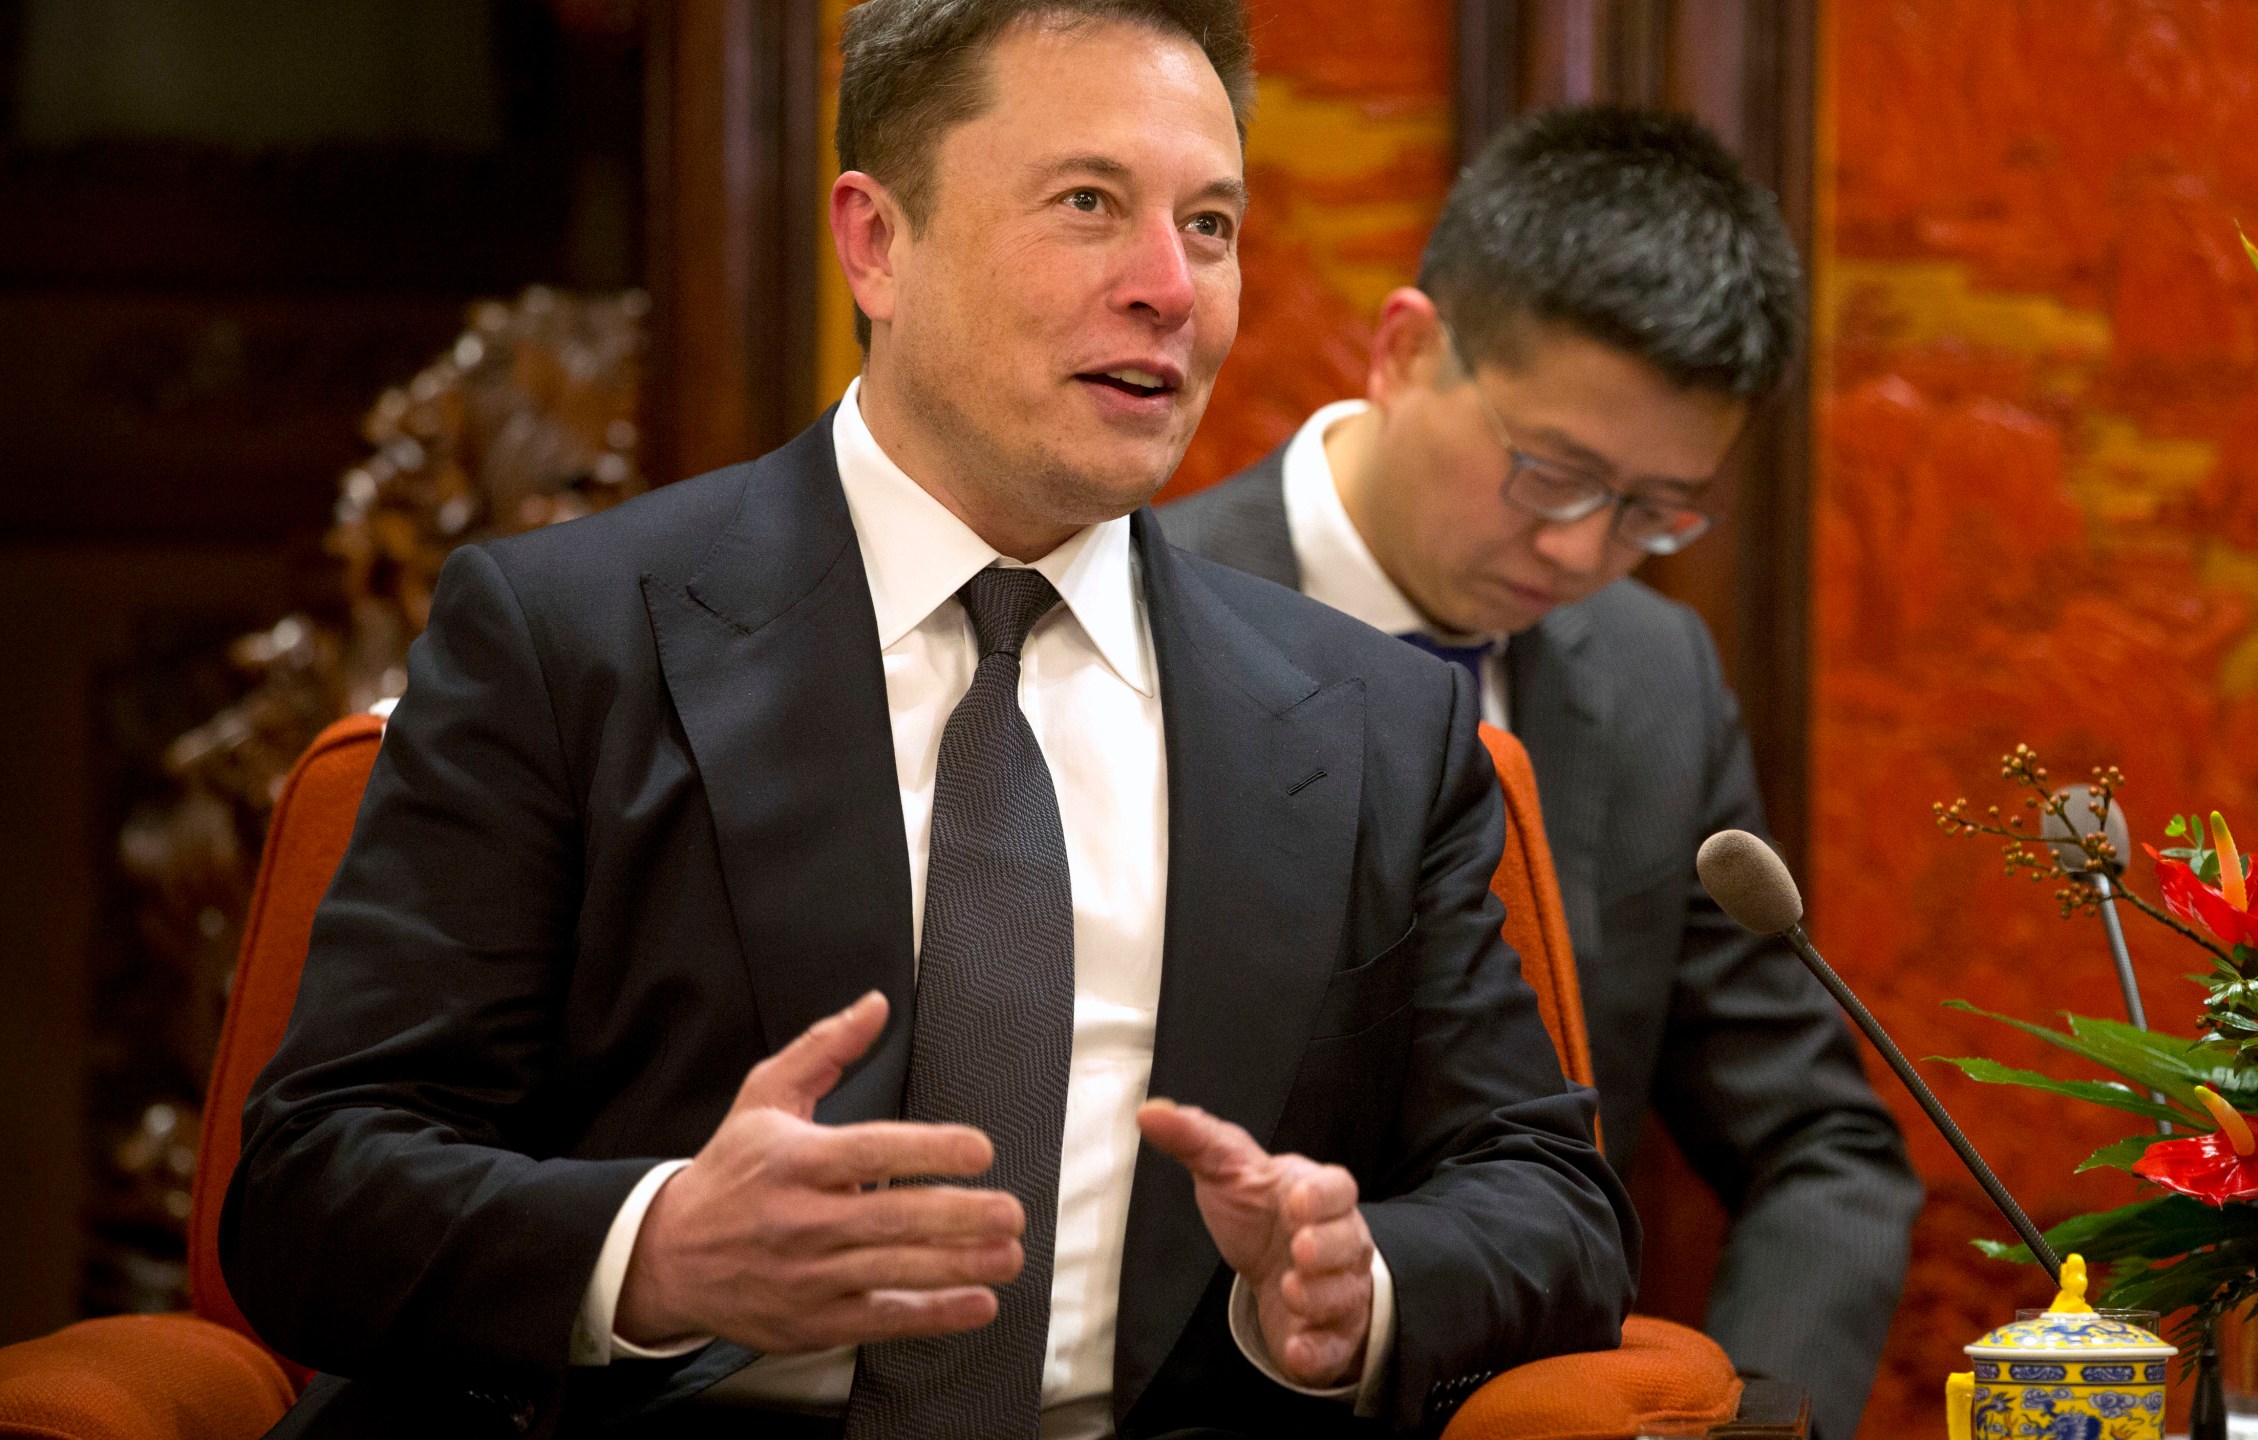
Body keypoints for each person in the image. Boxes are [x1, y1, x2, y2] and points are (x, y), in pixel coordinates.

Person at [223, 4, 1634, 1437]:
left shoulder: (1376, 722)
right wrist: (656, 1254)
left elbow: (1549, 1201)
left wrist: (1357, 1285)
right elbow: (310, 1186)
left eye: (1210, 226)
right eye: (1089, 204)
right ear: (876, 242)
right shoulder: (569, 642)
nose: (1170, 286)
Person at [1158, 106, 1922, 1440]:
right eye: (1551, 474)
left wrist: (1736, 1422)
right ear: (1406, 350)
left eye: (1655, 510)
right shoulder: (1140, 614)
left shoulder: (1650, 677)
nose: (1579, 556)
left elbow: (1824, 1150)